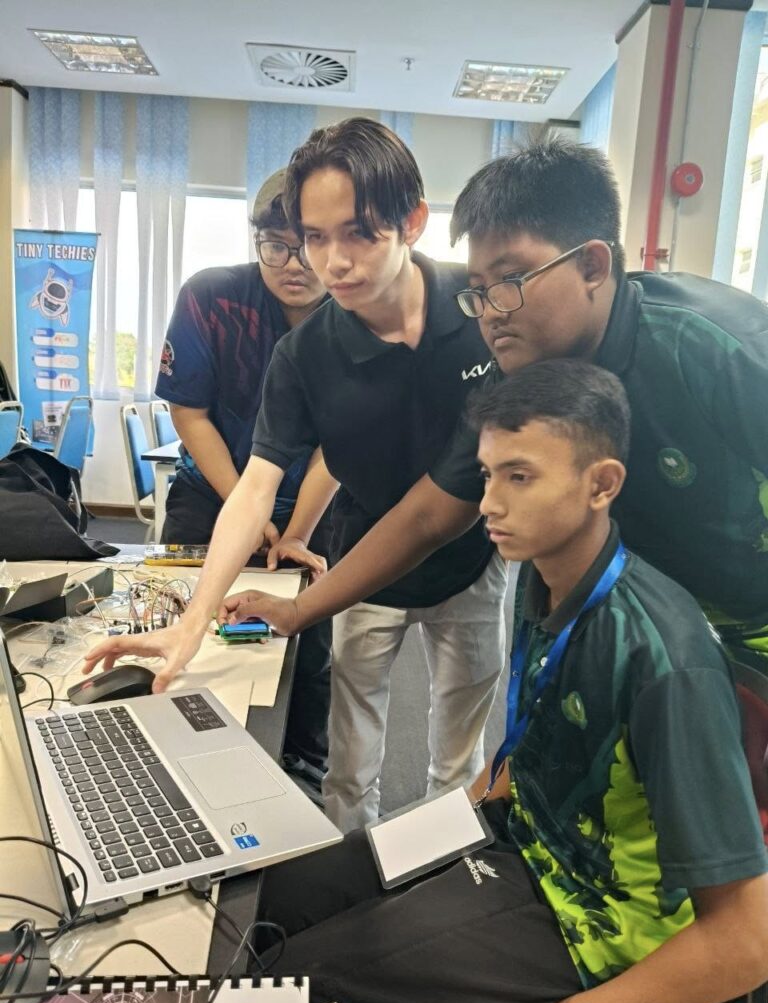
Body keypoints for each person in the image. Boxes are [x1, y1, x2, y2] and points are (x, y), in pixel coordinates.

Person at [247, 361, 768, 1003]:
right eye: (488, 475)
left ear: (602, 484)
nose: (489, 503)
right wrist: (441, 826)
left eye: (519, 477)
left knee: (297, 980)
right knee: (274, 898)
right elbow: (531, 749)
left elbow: (746, 941)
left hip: (590, 915)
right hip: (515, 829)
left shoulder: (663, 658)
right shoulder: (540, 577)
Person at [84, 118, 508, 832]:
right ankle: (352, 884)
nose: (333, 263)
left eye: (359, 233)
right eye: (314, 238)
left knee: (456, 760)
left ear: (412, 222)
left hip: (471, 564)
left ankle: (446, 867)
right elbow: (256, 485)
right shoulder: (306, 354)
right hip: (366, 568)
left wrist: (299, 603)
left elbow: (438, 510)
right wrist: (191, 623)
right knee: (350, 764)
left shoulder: (482, 309)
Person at [219, 139, 768, 675]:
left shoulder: (715, 348)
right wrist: (295, 611)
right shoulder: (522, 375)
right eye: (479, 290)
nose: (492, 313)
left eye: (511, 280)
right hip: (638, 633)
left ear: (592, 265)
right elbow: (430, 514)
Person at [152, 168, 334, 795]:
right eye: (275, 246)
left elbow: (337, 447)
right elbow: (189, 412)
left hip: (313, 499)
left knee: (304, 638)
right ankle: (173, 754)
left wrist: (295, 530)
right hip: (213, 491)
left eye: (308, 245)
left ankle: (304, 766)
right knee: (189, 618)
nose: (294, 264)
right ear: (255, 239)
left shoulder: (353, 318)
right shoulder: (212, 296)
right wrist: (245, 508)